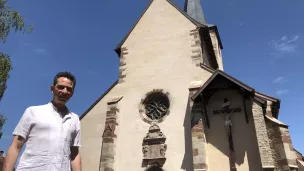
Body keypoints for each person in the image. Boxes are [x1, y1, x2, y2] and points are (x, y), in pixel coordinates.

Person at [2, 72, 82, 171]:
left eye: (69, 89)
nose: (65, 91)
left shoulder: (74, 119)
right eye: (61, 87)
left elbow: (74, 153)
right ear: (52, 89)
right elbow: (16, 147)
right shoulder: (33, 112)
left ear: (72, 93)